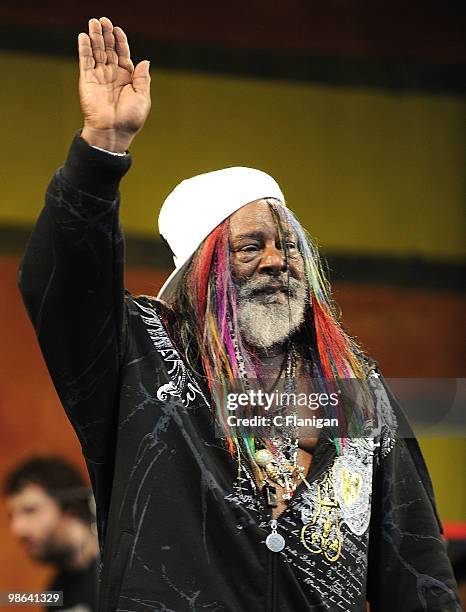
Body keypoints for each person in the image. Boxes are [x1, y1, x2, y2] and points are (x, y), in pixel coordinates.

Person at [18, 16, 460, 612]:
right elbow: (64, 284)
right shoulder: (142, 358)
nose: (279, 261)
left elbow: (418, 567)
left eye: (290, 246)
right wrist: (101, 150)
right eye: (251, 247)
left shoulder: (355, 391)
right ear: (201, 275)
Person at [3, 456, 99, 611]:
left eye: (30, 510)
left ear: (70, 508)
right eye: (12, 516)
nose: (17, 529)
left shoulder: (122, 571)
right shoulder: (56, 592)